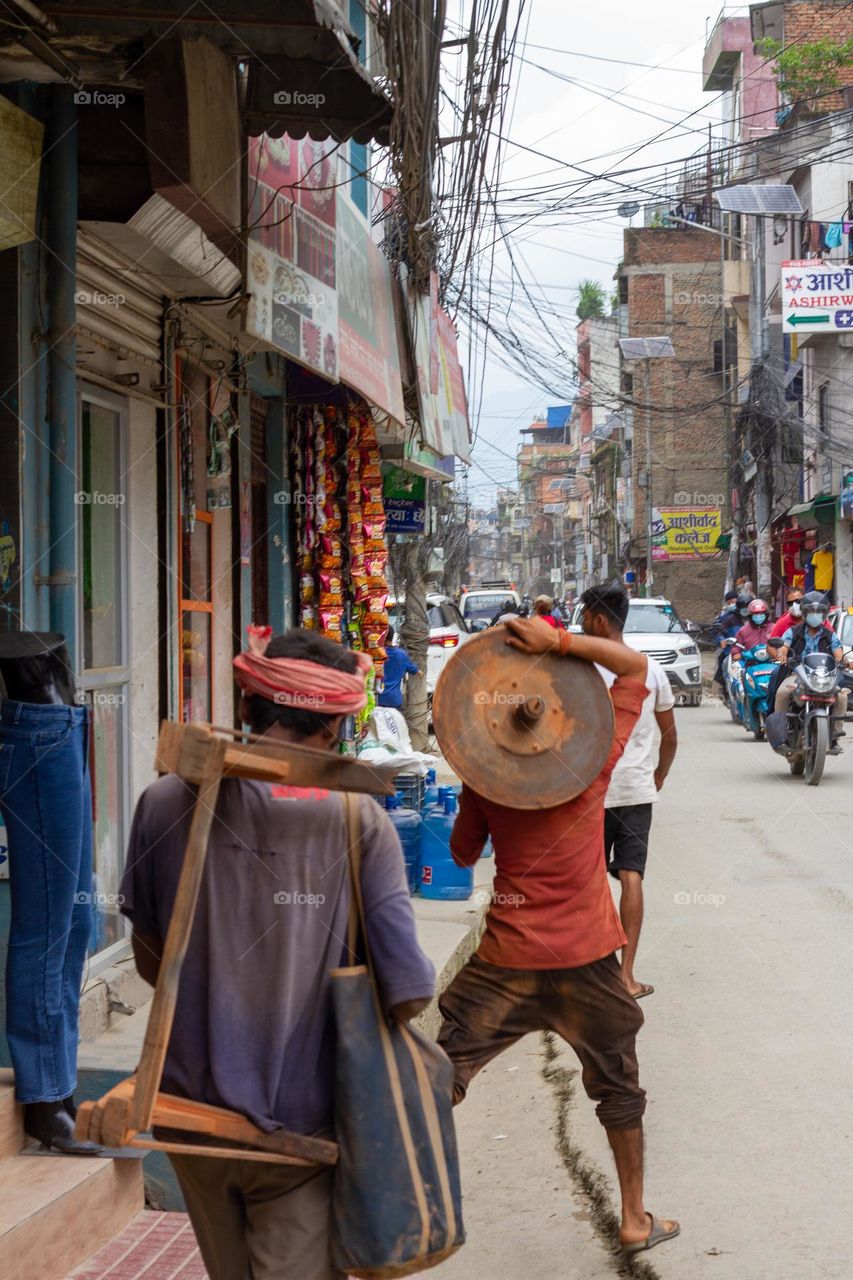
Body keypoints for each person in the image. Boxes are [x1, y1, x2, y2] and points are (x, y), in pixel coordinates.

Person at [119, 628, 435, 1280]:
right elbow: (406, 991)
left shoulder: (161, 803)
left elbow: (151, 963)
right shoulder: (355, 817)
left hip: (189, 1124)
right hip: (299, 1132)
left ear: (250, 703)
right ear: (334, 726)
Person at [438, 615, 679, 1258]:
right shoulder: (592, 764)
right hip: (589, 961)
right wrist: (560, 644)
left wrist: (480, 792)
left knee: (438, 1076)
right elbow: (633, 669)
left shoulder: (485, 782)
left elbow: (461, 857)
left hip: (506, 961)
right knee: (619, 1089)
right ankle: (634, 1219)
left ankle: (397, 1202)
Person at [579, 583, 677, 1001]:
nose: (581, 622)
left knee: (589, 881)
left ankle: (589, 976)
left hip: (589, 792)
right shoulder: (650, 669)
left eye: (585, 615)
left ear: (600, 620)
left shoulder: (578, 668)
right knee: (631, 875)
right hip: (636, 789)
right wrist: (658, 774)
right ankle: (626, 977)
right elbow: (671, 736)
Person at [773, 593, 849, 754]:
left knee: (841, 697)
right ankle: (781, 737)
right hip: (797, 674)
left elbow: (838, 654)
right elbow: (784, 647)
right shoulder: (793, 632)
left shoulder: (830, 635)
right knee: (782, 692)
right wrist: (782, 654)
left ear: (825, 614)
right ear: (804, 613)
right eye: (812, 612)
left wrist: (845, 661)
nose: (815, 616)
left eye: (819, 612)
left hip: (823, 677)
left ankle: (834, 737)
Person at [377, 624, 418, 709]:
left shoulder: (376, 654)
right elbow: (414, 670)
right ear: (392, 636)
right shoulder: (401, 655)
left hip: (378, 701)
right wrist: (419, 671)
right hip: (394, 701)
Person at [712, 591, 745, 687]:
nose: (731, 604)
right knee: (724, 663)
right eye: (729, 602)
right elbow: (719, 631)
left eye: (733, 601)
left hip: (749, 650)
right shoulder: (728, 618)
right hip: (732, 650)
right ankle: (725, 688)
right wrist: (721, 640)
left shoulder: (751, 619)